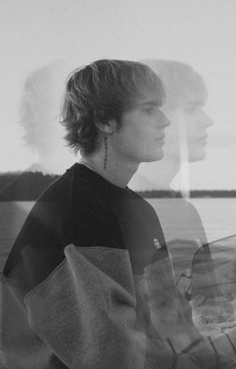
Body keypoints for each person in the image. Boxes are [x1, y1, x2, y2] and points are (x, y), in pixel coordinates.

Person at [1, 59, 235, 369]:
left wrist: (220, 353)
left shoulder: (138, 209)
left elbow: (173, 328)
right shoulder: (80, 212)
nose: (165, 121)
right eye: (149, 109)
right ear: (104, 121)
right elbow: (113, 357)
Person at [130, 60, 213, 280]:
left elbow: (208, 301)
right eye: (191, 109)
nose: (208, 121)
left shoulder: (185, 211)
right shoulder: (124, 207)